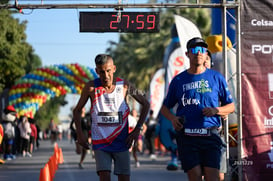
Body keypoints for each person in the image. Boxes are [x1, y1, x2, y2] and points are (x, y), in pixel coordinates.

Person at [160, 37, 235, 181]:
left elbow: (231, 106)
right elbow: (164, 108)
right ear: (188, 54)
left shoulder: (216, 77)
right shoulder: (179, 80)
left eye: (202, 50)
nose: (199, 53)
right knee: (194, 177)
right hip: (187, 138)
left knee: (213, 177)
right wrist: (173, 119)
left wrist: (216, 110)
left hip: (211, 136)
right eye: (195, 50)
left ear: (206, 53)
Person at [73, 54, 150, 181]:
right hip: (100, 143)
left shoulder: (125, 86)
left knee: (124, 178)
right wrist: (80, 135)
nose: (106, 76)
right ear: (97, 71)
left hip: (122, 142)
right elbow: (76, 111)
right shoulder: (91, 88)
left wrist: (137, 130)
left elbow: (145, 104)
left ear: (114, 68)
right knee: (104, 176)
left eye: (108, 71)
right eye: (102, 72)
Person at [205, 49, 227, 181]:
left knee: (219, 173)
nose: (204, 62)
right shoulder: (188, 80)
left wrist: (219, 111)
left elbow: (229, 105)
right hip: (195, 135)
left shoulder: (218, 79)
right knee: (201, 173)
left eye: (207, 59)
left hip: (216, 133)